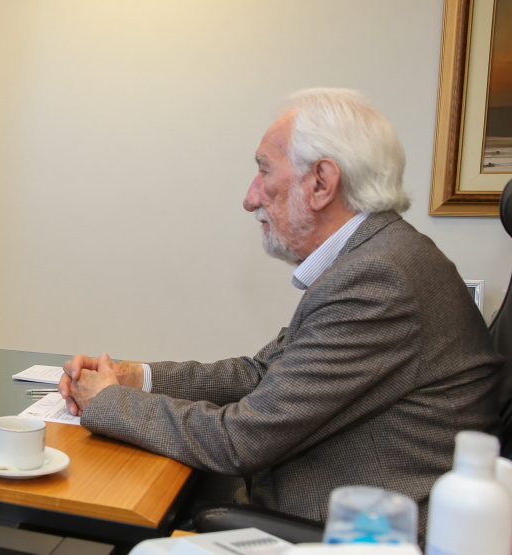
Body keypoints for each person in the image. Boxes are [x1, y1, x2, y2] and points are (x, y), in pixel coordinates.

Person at [59, 88, 502, 531]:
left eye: (263, 171)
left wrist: (109, 401)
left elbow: (240, 440)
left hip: (354, 535)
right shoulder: (378, 257)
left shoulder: (378, 278)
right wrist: (139, 377)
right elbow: (261, 374)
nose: (250, 198)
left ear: (322, 182)